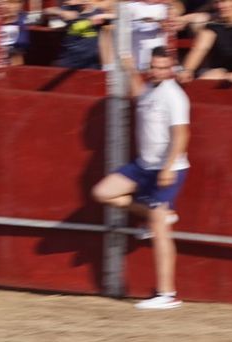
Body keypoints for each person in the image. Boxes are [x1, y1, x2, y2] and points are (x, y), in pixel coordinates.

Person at [91, 47, 192, 310]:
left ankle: (167, 294)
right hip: (143, 165)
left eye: (163, 67)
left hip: (167, 167)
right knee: (103, 193)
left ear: (171, 68)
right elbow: (139, 96)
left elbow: (182, 135)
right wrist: (130, 69)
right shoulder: (149, 88)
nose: (158, 71)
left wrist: (168, 168)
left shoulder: (175, 96)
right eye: (155, 67)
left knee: (160, 231)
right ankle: (154, 214)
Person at [48, 0, 112, 69]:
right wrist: (62, 12)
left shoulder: (97, 11)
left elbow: (117, 16)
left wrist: (101, 16)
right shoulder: (71, 8)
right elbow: (48, 11)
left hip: (91, 62)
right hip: (70, 59)